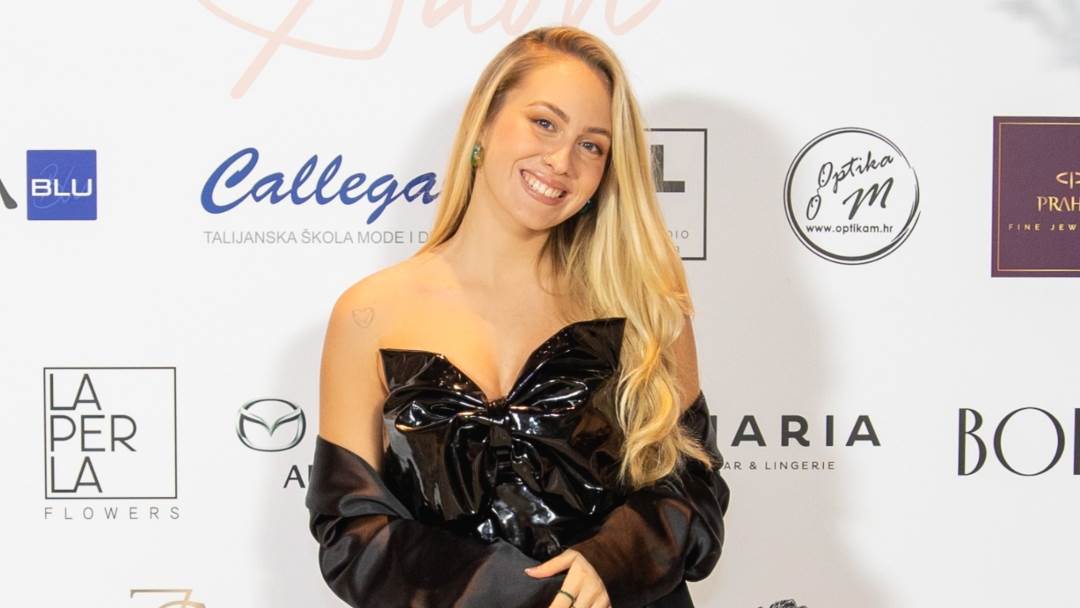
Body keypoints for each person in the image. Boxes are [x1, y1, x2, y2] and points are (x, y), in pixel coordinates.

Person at [305, 25, 731, 608]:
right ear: (484, 122)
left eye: (592, 146)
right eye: (545, 123)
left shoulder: (644, 302)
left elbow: (694, 491)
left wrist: (609, 561)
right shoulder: (370, 313)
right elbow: (351, 532)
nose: (561, 161)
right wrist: (512, 591)